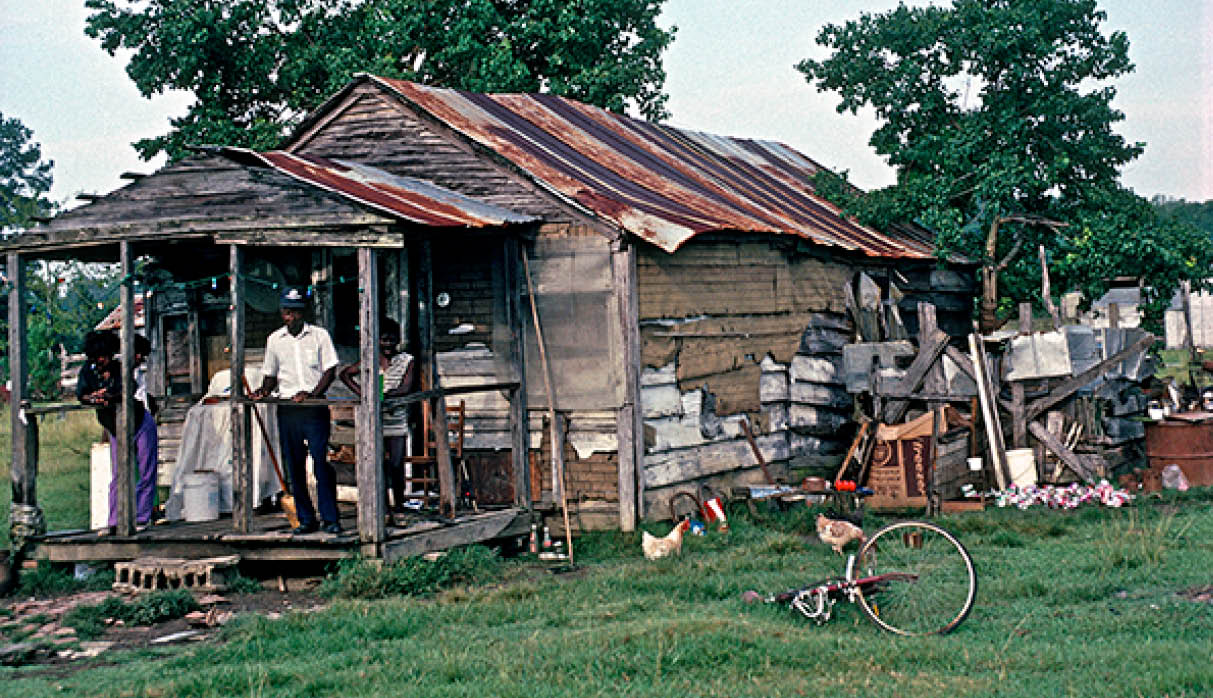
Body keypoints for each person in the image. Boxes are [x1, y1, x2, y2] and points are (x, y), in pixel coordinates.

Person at [250, 286, 340, 534]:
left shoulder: (319, 336)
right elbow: (271, 375)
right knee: (294, 465)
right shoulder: (275, 340)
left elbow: (330, 370)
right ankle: (306, 520)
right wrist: (263, 390)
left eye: (295, 312)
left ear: (303, 312)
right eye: (287, 312)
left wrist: (313, 395)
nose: (291, 316)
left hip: (314, 408)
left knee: (321, 463)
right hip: (288, 409)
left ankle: (331, 519)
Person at [76, 330, 158, 529]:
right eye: (98, 357)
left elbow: (127, 389)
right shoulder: (88, 371)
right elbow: (82, 394)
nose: (101, 360)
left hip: (138, 422)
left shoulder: (119, 368)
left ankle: (141, 516)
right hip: (114, 427)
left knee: (147, 471)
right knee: (119, 474)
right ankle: (115, 520)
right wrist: (94, 397)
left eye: (105, 356)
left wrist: (108, 397)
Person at [339, 318, 416, 514]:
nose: (388, 344)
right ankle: (381, 506)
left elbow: (406, 387)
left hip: (397, 419)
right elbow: (345, 375)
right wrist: (365, 394)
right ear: (377, 341)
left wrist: (388, 396)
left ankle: (399, 503)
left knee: (397, 463)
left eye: (392, 340)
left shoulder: (407, 360)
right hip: (376, 420)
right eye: (384, 340)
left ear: (398, 340)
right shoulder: (371, 360)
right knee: (378, 464)